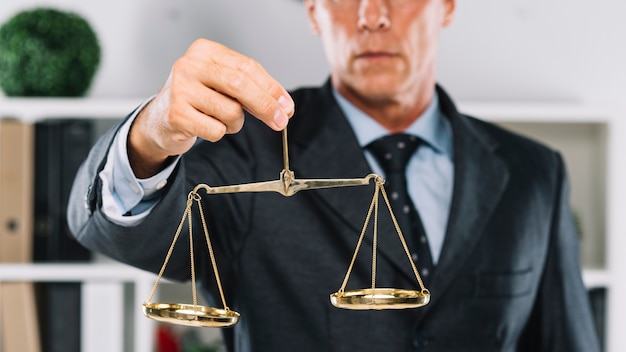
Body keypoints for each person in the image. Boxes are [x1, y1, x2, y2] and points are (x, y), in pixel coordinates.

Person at [68, 0, 601, 351]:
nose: (371, 14)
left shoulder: (533, 172)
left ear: (448, 7)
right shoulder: (245, 150)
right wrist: (151, 137)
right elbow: (109, 229)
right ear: (314, 11)